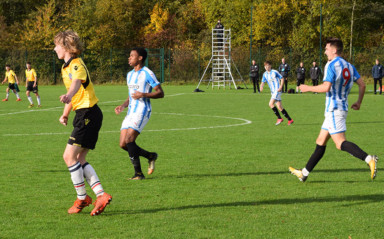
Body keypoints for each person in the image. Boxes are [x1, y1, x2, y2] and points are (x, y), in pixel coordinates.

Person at [289, 37, 378, 182]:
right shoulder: (349, 66)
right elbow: (362, 85)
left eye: (326, 49)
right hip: (341, 108)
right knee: (320, 141)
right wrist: (359, 102)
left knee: (340, 143)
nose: (325, 52)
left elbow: (326, 87)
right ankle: (304, 173)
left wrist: (307, 88)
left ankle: (369, 159)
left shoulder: (331, 65)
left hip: (334, 109)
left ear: (334, 50)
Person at [54, 30, 112, 216]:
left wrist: (69, 94)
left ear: (65, 47)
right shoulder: (65, 68)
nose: (54, 49)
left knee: (69, 157)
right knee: (79, 159)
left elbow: (77, 83)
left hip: (88, 113)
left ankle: (82, 198)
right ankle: (100, 195)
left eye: (56, 45)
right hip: (86, 114)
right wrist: (65, 114)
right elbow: (73, 93)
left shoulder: (76, 64)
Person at [115, 47, 164, 180]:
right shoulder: (129, 74)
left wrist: (144, 94)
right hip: (131, 112)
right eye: (129, 56)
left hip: (142, 110)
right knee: (123, 144)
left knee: (130, 140)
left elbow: (160, 93)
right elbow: (131, 95)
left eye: (132, 56)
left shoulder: (147, 73)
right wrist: (123, 105)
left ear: (140, 58)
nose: (129, 58)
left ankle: (138, 174)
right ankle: (150, 156)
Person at [260, 61, 294, 126]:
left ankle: (279, 118)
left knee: (270, 104)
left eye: (267, 65)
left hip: (277, 90)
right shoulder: (265, 74)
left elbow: (282, 78)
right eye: (265, 66)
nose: (266, 67)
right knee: (279, 107)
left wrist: (281, 86)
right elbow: (263, 82)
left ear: (270, 66)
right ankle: (290, 119)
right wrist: (261, 86)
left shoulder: (274, 72)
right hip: (272, 92)